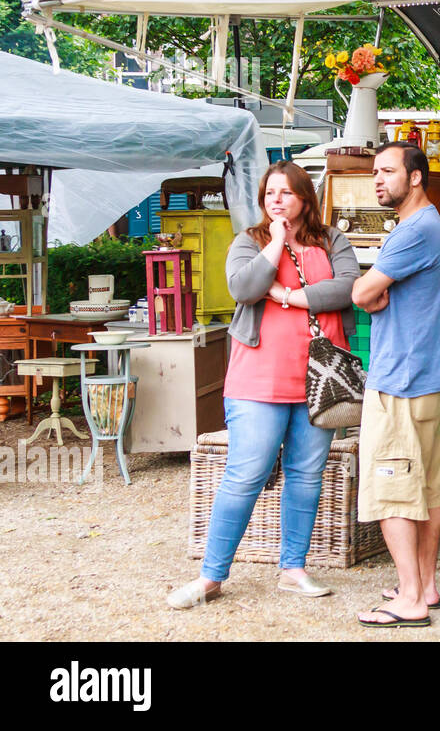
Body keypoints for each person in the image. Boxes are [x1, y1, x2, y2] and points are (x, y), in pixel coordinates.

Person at [167, 161, 360, 609]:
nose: (277, 200)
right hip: (258, 380)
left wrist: (289, 295)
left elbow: (348, 288)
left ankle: (293, 569)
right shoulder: (248, 241)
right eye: (270, 193)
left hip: (321, 380)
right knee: (245, 474)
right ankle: (211, 577)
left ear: (304, 198)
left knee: (307, 475)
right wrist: (274, 244)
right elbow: (244, 288)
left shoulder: (332, 239)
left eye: (287, 193)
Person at [353, 142, 440, 628]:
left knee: (394, 487)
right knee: (427, 487)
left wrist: (375, 296)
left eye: (388, 171)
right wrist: (379, 294)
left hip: (400, 379)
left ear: (415, 177)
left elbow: (361, 292)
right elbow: (376, 293)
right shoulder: (429, 223)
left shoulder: (412, 230)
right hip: (426, 379)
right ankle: (427, 586)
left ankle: (411, 599)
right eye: (375, 171)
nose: (378, 179)